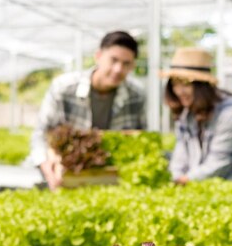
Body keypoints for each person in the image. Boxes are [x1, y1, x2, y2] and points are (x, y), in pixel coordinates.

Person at [30, 31, 146, 190]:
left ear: (132, 66)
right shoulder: (64, 88)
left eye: (126, 64)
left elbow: (140, 139)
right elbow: (40, 135)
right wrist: (46, 164)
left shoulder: (136, 96)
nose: (118, 69)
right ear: (98, 56)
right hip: (68, 176)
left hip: (113, 181)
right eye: (113, 60)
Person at [161, 48, 232, 184]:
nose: (179, 91)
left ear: (202, 86)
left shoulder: (230, 114)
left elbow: (219, 162)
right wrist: (176, 177)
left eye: (186, 84)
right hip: (204, 181)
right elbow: (181, 154)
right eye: (175, 84)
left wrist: (186, 180)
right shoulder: (187, 112)